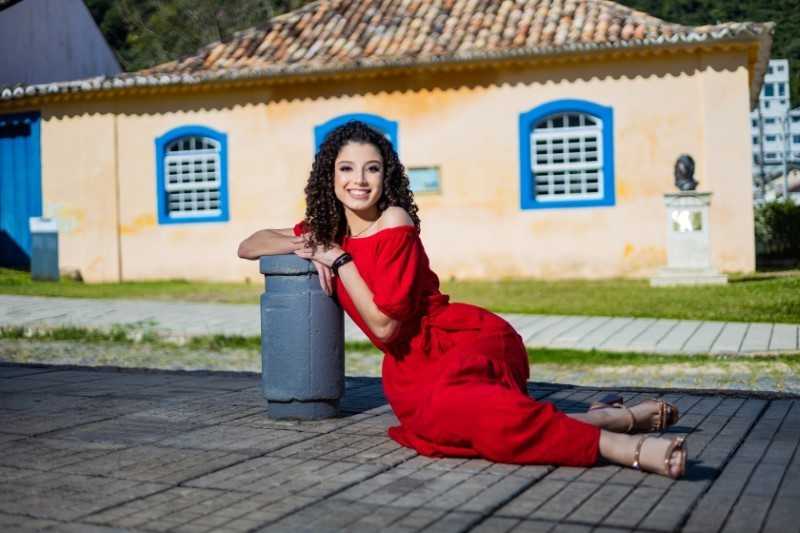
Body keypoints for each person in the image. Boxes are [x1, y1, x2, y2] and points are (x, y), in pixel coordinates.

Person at [238, 121, 687, 478]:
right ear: (330, 176)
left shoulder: (394, 222)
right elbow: (249, 245)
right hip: (409, 374)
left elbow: (385, 327)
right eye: (347, 168)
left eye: (372, 168)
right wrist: (309, 243)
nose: (359, 179)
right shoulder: (328, 231)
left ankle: (620, 445)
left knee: (469, 412)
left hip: (463, 340)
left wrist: (339, 260)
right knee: (468, 425)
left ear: (385, 175)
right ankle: (610, 419)